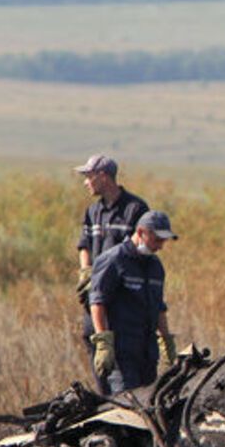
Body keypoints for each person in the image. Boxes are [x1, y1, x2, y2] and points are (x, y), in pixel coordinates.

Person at [74, 155, 149, 389]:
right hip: (96, 298)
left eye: (89, 176)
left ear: (104, 176)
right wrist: (86, 271)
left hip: (122, 300)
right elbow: (84, 245)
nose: (86, 182)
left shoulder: (135, 209)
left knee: (123, 365)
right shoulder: (93, 211)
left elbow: (140, 250)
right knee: (95, 346)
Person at [88, 210, 179, 394]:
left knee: (150, 402)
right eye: (157, 240)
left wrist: (166, 339)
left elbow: (159, 307)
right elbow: (97, 301)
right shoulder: (113, 260)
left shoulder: (156, 267)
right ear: (140, 232)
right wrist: (103, 342)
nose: (160, 246)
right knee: (129, 405)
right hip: (122, 353)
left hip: (147, 352)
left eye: (163, 241)